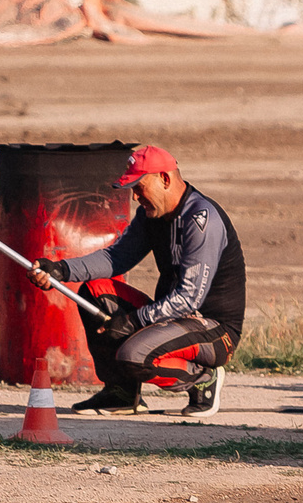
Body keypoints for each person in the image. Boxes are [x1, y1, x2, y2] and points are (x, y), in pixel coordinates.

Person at [39, 144, 246, 417]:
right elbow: (116, 259)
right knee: (94, 291)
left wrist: (133, 322)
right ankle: (122, 393)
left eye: (139, 187)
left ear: (165, 179)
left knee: (133, 356)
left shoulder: (200, 218)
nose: (135, 197)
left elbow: (189, 298)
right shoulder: (151, 215)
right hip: (174, 318)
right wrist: (60, 270)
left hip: (215, 330)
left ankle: (203, 380)